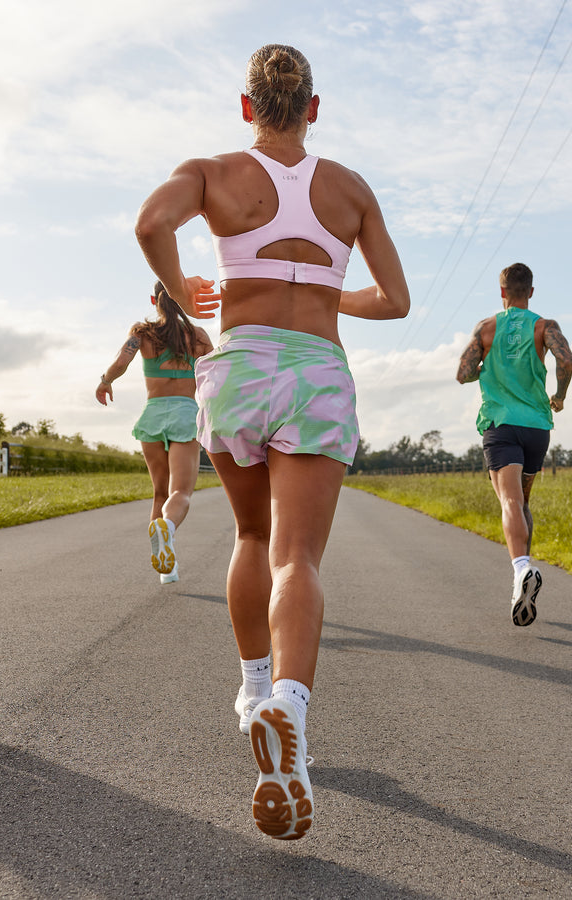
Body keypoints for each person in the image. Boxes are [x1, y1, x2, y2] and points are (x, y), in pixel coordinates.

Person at [135, 43, 410, 840]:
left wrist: (187, 297)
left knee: (251, 535)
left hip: (241, 367)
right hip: (318, 372)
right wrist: (327, 292)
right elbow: (394, 300)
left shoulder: (214, 171)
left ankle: (255, 692)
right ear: (314, 109)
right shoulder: (350, 189)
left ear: (247, 107)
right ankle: (291, 705)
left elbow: (153, 222)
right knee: (299, 557)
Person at [456, 262, 572, 627]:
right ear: (531, 292)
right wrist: (559, 395)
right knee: (523, 503)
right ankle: (521, 577)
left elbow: (462, 372)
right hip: (537, 426)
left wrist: (483, 370)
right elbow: (565, 359)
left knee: (510, 501)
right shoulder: (544, 326)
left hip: (501, 425)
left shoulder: (486, 328)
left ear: (502, 292)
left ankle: (521, 568)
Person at [95, 282, 213, 585]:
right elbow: (217, 374)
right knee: (180, 493)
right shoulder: (197, 336)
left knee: (160, 492)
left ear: (153, 299)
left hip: (152, 415)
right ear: (184, 298)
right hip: (186, 415)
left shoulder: (142, 334)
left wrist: (105, 381)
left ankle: (167, 569)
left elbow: (122, 361)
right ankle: (168, 528)